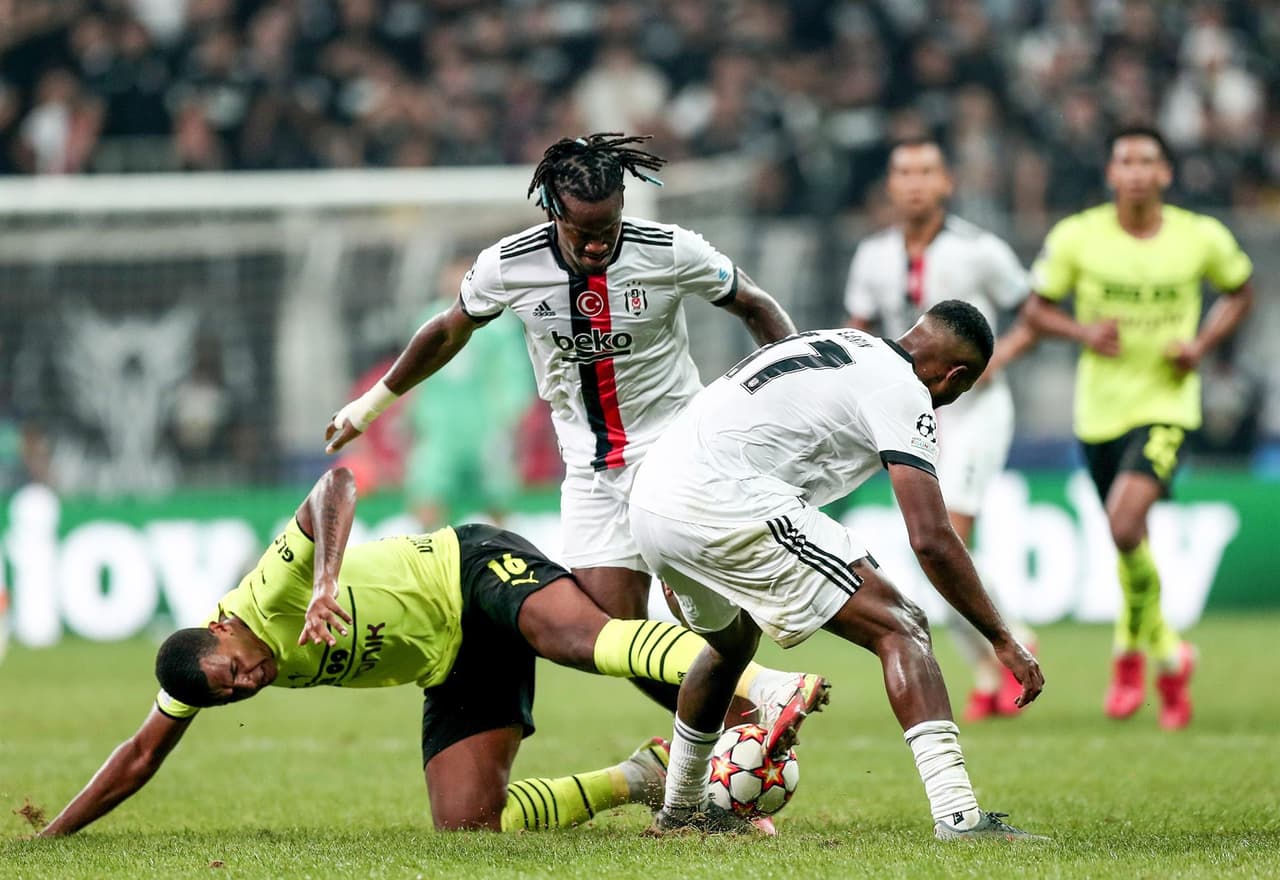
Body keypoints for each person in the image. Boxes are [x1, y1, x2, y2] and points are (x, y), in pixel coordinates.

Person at [37, 467, 824, 837]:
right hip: (451, 661)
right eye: (234, 694)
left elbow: (336, 485)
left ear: (220, 629)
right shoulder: (197, 675)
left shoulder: (266, 592)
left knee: (577, 639)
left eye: (236, 670)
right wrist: (51, 840)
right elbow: (139, 754)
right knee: (470, 825)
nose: (249, 682)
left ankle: (768, 683)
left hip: (466, 566)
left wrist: (324, 581)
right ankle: (642, 776)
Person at [324, 133, 803, 717]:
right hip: (591, 470)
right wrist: (369, 406)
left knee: (699, 611)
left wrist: (793, 392)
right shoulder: (508, 265)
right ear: (554, 211)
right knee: (614, 634)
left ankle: (757, 705)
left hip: (674, 454)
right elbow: (448, 330)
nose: (599, 244)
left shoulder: (670, 249)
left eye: (609, 227)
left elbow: (753, 302)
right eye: (583, 232)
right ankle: (747, 725)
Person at [629, 302, 1046, 839]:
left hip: (653, 502)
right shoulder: (904, 390)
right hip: (722, 499)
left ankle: (680, 810)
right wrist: (1002, 638)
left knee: (730, 644)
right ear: (955, 376)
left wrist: (678, 538)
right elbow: (932, 538)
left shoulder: (845, 343)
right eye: (959, 392)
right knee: (902, 626)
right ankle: (959, 817)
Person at [1022, 125, 1254, 730]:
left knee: (1124, 524)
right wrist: (1082, 332)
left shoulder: (1200, 237)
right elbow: (1036, 308)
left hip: (1168, 406)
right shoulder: (1078, 237)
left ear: (1165, 173)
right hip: (1098, 413)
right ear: (1111, 173)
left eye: (1147, 160)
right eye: (1125, 160)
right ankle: (1170, 655)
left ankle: (1128, 659)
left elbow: (1239, 291)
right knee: (1131, 543)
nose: (1136, 171)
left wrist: (1201, 345)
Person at [844, 137, 1039, 722]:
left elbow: (1034, 312)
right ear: (890, 184)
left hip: (976, 408)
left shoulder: (981, 250)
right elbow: (858, 330)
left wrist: (997, 361)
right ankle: (993, 661)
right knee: (929, 547)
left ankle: (1006, 648)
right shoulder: (872, 255)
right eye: (904, 172)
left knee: (945, 536)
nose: (914, 183)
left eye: (926, 171)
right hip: (909, 415)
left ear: (946, 182)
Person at [401, 254, 536, 527]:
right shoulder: (429, 319)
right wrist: (413, 413)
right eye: (450, 275)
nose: (454, 282)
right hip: (439, 427)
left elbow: (514, 374)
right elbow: (412, 373)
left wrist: (510, 416)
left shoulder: (499, 324)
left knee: (497, 493)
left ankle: (499, 548)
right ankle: (428, 549)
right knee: (428, 486)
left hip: (486, 424)